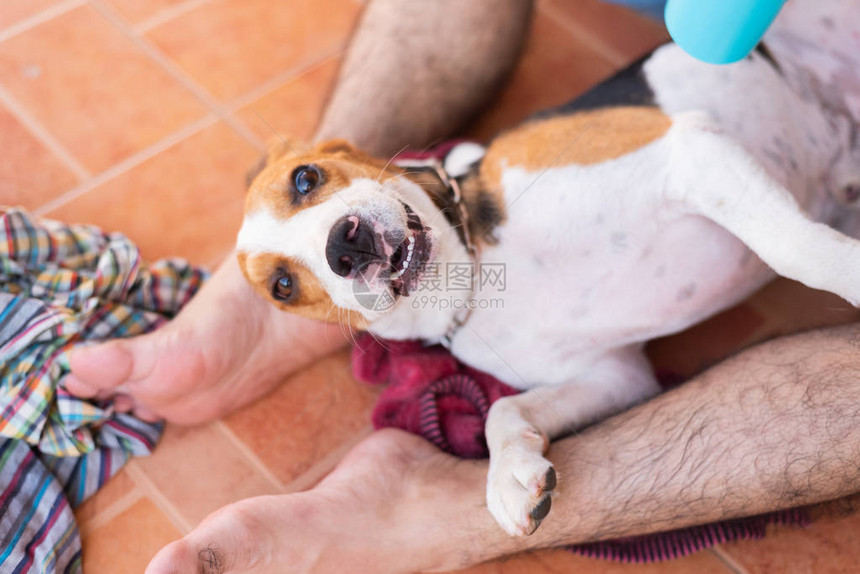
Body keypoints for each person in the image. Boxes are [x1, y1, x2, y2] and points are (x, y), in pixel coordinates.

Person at [63, 1, 860, 572]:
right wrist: (515, 429)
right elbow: (618, 376)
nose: (331, 241)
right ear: (339, 319)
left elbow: (689, 152)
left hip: (801, 42)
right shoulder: (483, 341)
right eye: (289, 281)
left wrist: (814, 257)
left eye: (307, 183)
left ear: (357, 158)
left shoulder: (513, 180)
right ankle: (255, 326)